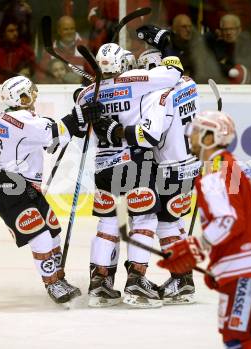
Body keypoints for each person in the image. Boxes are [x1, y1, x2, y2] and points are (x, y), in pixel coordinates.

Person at [157, 111, 251, 348]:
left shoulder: (216, 172)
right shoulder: (235, 166)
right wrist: (221, 265)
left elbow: (229, 221)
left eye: (197, 131)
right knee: (244, 338)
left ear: (210, 138)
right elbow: (248, 218)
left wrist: (194, 248)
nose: (191, 135)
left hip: (249, 266)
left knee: (237, 339)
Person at [75, 37, 184, 308]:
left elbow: (78, 123)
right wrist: (167, 46)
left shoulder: (87, 93)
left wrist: (84, 94)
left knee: (107, 224)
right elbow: (174, 73)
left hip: (103, 167)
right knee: (144, 220)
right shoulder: (136, 79)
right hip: (135, 163)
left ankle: (100, 284)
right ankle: (136, 280)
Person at [0, 75, 103, 304]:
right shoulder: (21, 121)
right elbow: (53, 133)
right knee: (40, 236)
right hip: (10, 190)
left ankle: (58, 277)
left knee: (52, 231)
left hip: (23, 187)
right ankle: (52, 284)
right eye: (30, 91)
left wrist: (76, 123)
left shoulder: (11, 117)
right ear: (21, 98)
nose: (35, 93)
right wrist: (78, 115)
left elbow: (51, 140)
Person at [136, 48, 201, 305]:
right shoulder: (189, 84)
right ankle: (184, 278)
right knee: (175, 222)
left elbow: (150, 136)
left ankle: (182, 278)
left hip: (171, 167)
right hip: (191, 164)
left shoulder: (158, 96)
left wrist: (118, 130)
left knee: (166, 224)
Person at [203, 13, 251, 84]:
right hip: (222, 85)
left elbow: (244, 66)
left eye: (232, 29)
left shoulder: (247, 44)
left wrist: (225, 66)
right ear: (221, 31)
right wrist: (214, 34)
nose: (228, 32)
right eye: (225, 29)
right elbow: (212, 65)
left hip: (245, 85)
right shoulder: (217, 45)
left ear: (239, 30)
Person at [36, 16, 90, 83]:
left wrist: (82, 80)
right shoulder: (50, 49)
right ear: (59, 31)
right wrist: (55, 81)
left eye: (72, 29)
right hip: (57, 90)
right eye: (66, 29)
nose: (69, 32)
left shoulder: (84, 46)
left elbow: (93, 74)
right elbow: (41, 77)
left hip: (80, 89)